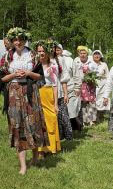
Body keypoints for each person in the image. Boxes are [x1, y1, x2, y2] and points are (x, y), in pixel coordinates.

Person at [0, 27, 48, 175]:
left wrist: (28, 73)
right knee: (17, 125)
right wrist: (14, 74)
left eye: (20, 39)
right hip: (14, 93)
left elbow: (40, 77)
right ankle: (23, 166)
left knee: (33, 124)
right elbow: (2, 78)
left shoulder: (33, 55)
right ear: (11, 41)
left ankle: (34, 157)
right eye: (15, 40)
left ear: (25, 40)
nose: (18, 42)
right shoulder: (7, 57)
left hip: (30, 92)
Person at [34, 40, 61, 155]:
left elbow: (55, 85)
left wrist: (55, 104)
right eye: (39, 51)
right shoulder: (35, 65)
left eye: (43, 51)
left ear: (48, 52)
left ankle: (51, 147)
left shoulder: (53, 65)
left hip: (48, 93)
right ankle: (41, 150)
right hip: (37, 94)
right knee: (39, 122)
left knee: (51, 120)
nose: (41, 53)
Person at [74, 46, 97, 126]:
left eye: (84, 53)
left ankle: (91, 120)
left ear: (87, 54)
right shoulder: (76, 62)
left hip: (90, 84)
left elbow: (96, 72)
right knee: (82, 102)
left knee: (91, 102)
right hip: (80, 84)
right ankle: (83, 120)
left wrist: (90, 75)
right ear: (79, 54)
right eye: (81, 53)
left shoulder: (91, 62)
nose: (83, 55)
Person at [54, 43, 73, 140]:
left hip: (59, 89)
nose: (55, 51)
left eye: (57, 49)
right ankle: (57, 136)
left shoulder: (61, 60)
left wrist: (66, 93)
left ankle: (68, 135)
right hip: (47, 91)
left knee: (63, 114)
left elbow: (64, 78)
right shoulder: (43, 59)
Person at [91, 50, 110, 122]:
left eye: (98, 54)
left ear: (100, 56)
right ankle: (93, 118)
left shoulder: (104, 64)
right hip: (92, 84)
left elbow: (108, 75)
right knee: (93, 100)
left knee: (102, 99)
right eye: (95, 54)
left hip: (102, 84)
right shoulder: (90, 64)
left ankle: (100, 117)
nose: (96, 56)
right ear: (92, 56)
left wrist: (108, 84)